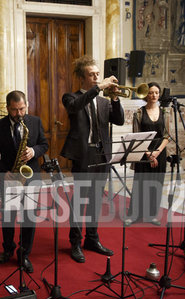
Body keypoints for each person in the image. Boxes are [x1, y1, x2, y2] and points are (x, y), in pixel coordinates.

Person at [60, 55, 124, 263]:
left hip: (101, 154)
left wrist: (115, 98)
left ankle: (92, 239)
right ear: (82, 78)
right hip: (83, 155)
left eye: (98, 74)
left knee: (96, 201)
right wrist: (98, 88)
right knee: (80, 201)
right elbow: (76, 106)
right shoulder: (70, 98)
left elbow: (120, 120)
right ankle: (75, 243)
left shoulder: (104, 102)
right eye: (92, 75)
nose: (97, 77)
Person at [0, 90, 48, 273]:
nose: (19, 114)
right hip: (10, 176)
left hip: (30, 176)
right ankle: (8, 249)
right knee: (8, 217)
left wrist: (33, 151)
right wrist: (4, 172)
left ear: (26, 105)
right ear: (7, 108)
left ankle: (24, 254)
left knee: (29, 217)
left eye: (22, 109)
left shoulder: (35, 122)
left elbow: (44, 144)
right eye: (14, 110)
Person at [125, 82, 170, 226]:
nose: (154, 95)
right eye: (151, 92)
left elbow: (167, 136)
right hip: (143, 151)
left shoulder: (165, 112)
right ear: (146, 95)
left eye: (157, 92)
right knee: (140, 184)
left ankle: (151, 215)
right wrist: (148, 154)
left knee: (156, 184)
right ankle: (134, 215)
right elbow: (137, 135)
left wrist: (156, 153)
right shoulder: (139, 112)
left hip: (160, 152)